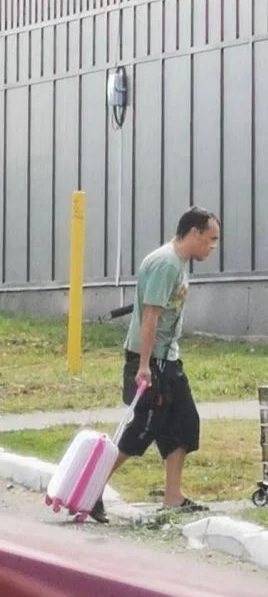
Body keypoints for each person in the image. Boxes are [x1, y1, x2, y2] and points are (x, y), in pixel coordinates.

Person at [90, 206, 221, 523]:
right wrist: (144, 365)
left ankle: (173, 498)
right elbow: (150, 316)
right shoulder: (165, 264)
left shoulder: (178, 262)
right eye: (211, 239)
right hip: (151, 360)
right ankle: (92, 489)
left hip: (168, 358)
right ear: (194, 233)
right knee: (142, 429)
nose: (213, 246)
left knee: (183, 424)